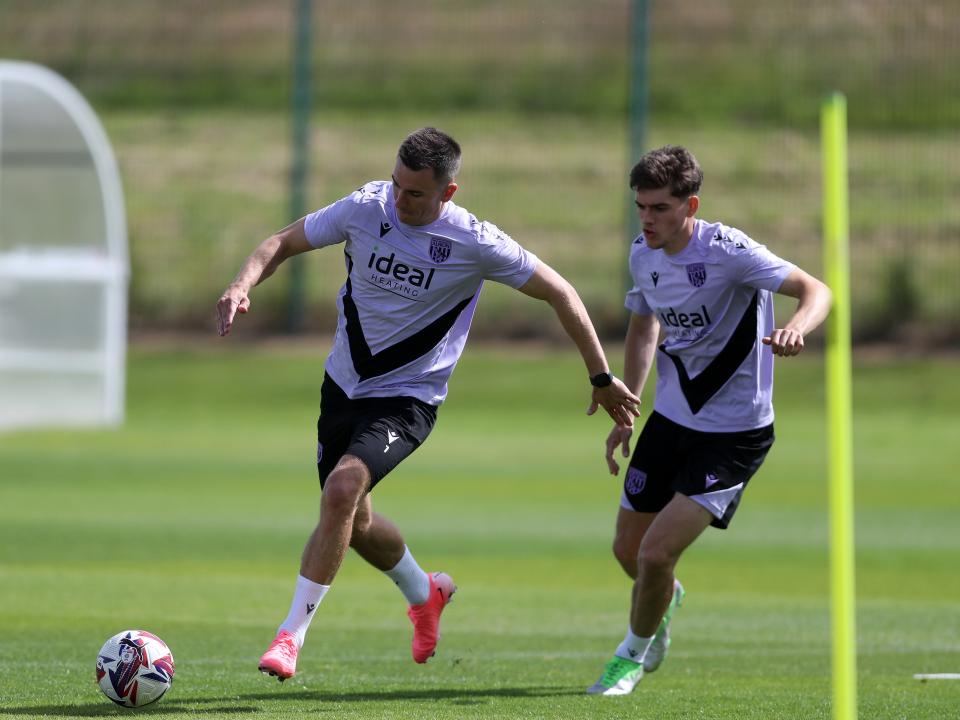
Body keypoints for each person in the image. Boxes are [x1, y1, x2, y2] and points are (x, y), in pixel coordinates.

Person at [216, 126, 641, 681]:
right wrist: (241, 283)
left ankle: (290, 637)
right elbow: (282, 243)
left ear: (449, 193)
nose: (399, 199)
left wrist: (601, 376)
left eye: (415, 193)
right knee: (354, 519)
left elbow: (561, 292)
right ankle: (425, 591)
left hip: (409, 399)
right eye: (396, 184)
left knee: (343, 489)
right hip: (342, 387)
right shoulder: (365, 208)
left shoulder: (474, 242)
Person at [586, 145, 832, 696]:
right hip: (673, 421)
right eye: (640, 207)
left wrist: (798, 328)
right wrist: (628, 404)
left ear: (690, 205)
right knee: (629, 552)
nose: (647, 219)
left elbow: (817, 290)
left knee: (655, 554)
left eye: (660, 208)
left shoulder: (730, 251)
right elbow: (645, 323)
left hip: (735, 434)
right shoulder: (642, 253)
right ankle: (663, 599)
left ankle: (629, 656)